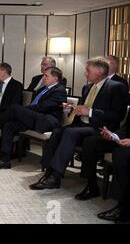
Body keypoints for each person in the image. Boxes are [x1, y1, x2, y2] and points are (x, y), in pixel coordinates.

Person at [30, 57, 127, 190]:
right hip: (82, 125)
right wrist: (72, 109)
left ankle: (55, 177)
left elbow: (118, 115)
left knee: (69, 132)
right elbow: (83, 108)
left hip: (99, 128)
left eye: (88, 70)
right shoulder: (87, 87)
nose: (85, 73)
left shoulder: (116, 87)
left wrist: (91, 112)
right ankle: (48, 172)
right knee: (58, 131)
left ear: (99, 71)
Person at [0, 67, 67, 170]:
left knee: (15, 108)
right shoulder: (42, 89)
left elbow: (43, 107)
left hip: (47, 121)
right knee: (9, 125)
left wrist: (24, 110)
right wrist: (25, 111)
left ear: (55, 78)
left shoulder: (60, 90)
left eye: (46, 76)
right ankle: (4, 160)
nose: (43, 78)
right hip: (34, 118)